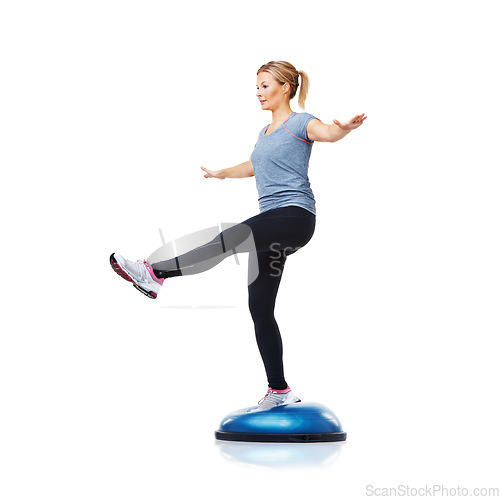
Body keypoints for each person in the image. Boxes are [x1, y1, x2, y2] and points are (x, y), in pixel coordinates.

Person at [110, 60, 367, 410]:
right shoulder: (263, 133)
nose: (258, 92)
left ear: (285, 88)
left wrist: (345, 129)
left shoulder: (301, 122)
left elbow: (327, 133)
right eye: (256, 86)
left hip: (294, 217)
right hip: (271, 226)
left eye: (264, 85)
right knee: (260, 309)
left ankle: (155, 273)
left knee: (231, 237)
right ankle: (279, 391)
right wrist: (223, 174)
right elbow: (252, 165)